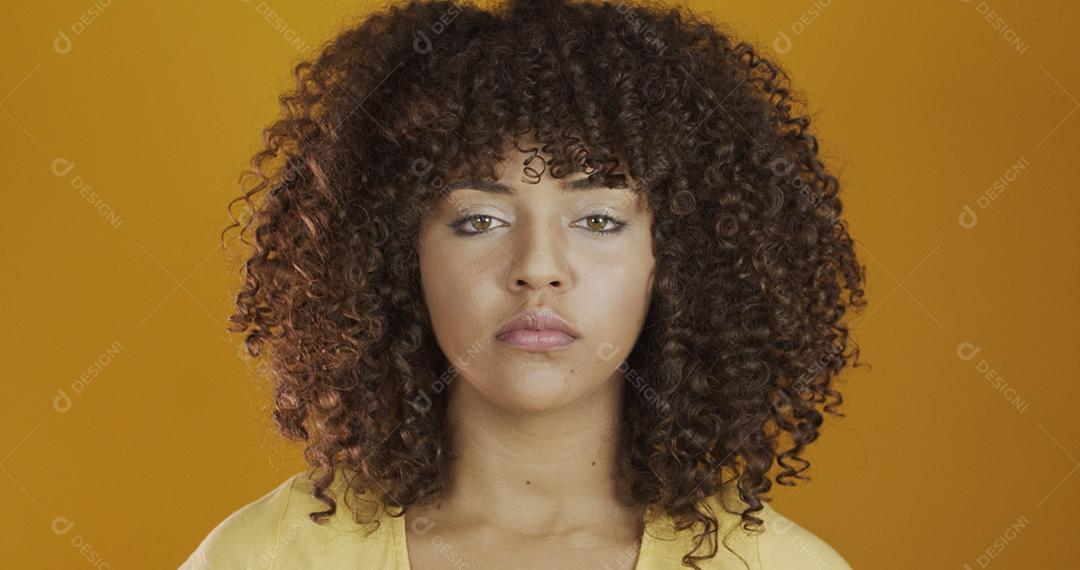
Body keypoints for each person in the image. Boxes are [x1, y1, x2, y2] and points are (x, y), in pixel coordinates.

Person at [183, 0, 866, 567]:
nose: (537, 266)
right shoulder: (266, 557)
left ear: (676, 259)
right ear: (398, 255)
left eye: (598, 218)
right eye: (479, 219)